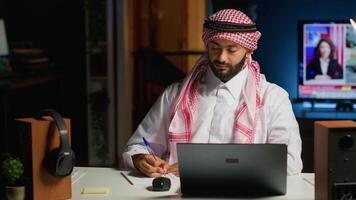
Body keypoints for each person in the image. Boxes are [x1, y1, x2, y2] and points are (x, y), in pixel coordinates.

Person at [121, 9, 303, 177]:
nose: (221, 57)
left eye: (232, 49)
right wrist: (140, 158)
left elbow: (290, 163)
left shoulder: (273, 98)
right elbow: (139, 144)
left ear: (248, 50)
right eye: (215, 47)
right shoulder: (176, 94)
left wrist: (204, 167)